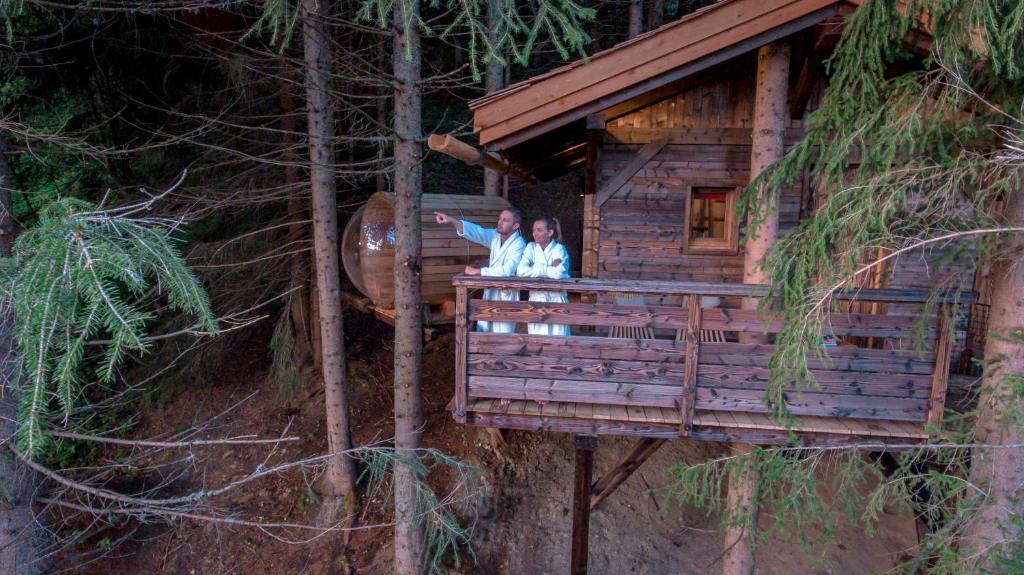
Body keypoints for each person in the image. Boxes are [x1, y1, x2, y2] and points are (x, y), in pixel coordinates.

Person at [435, 207, 526, 333]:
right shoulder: (495, 236)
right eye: (500, 218)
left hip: (505, 297)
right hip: (489, 295)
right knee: (483, 335)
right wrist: (452, 221)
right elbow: (477, 232)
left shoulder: (519, 244)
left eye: (505, 220)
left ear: (515, 225)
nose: (500, 222)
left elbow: (508, 270)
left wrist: (479, 271)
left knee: (502, 339)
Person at [516, 216, 570, 336]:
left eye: (539, 230)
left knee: (558, 339)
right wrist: (548, 267)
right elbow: (521, 271)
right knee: (536, 339)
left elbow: (559, 273)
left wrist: (535, 266)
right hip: (536, 298)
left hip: (556, 299)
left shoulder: (559, 249)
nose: (535, 233)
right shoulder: (531, 247)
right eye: (534, 230)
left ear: (550, 232)